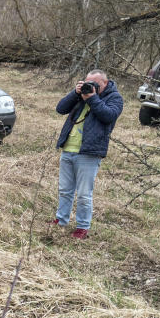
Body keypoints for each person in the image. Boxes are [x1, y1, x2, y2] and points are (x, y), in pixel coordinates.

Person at [48, 69, 123, 239]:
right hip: (69, 147)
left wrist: (92, 98)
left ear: (105, 83)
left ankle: (82, 227)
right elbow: (60, 109)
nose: (90, 86)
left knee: (83, 193)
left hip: (90, 152)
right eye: (87, 82)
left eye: (94, 83)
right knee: (65, 189)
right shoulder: (81, 94)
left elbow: (108, 116)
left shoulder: (114, 98)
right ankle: (61, 220)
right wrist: (75, 93)